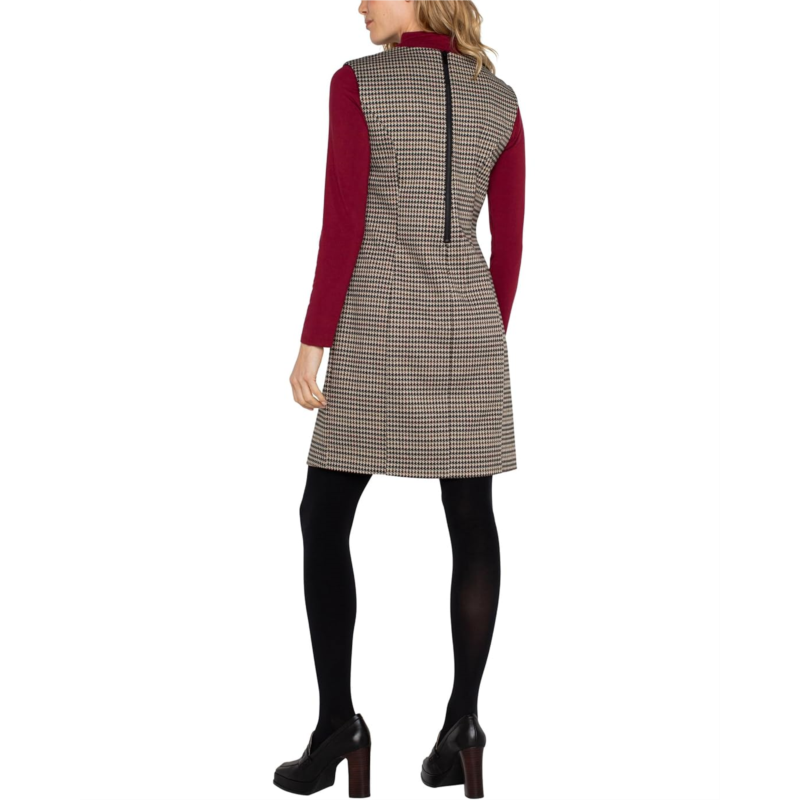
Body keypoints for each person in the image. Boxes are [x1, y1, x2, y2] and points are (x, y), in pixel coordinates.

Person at [277, 0, 525, 796]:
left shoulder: (357, 84)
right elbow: (510, 243)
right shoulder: (501, 98)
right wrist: (479, 337)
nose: (359, 5)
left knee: (323, 515)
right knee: (472, 519)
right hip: (472, 332)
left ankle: (337, 726)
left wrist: (314, 339)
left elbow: (342, 223)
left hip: (375, 330)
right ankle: (463, 726)